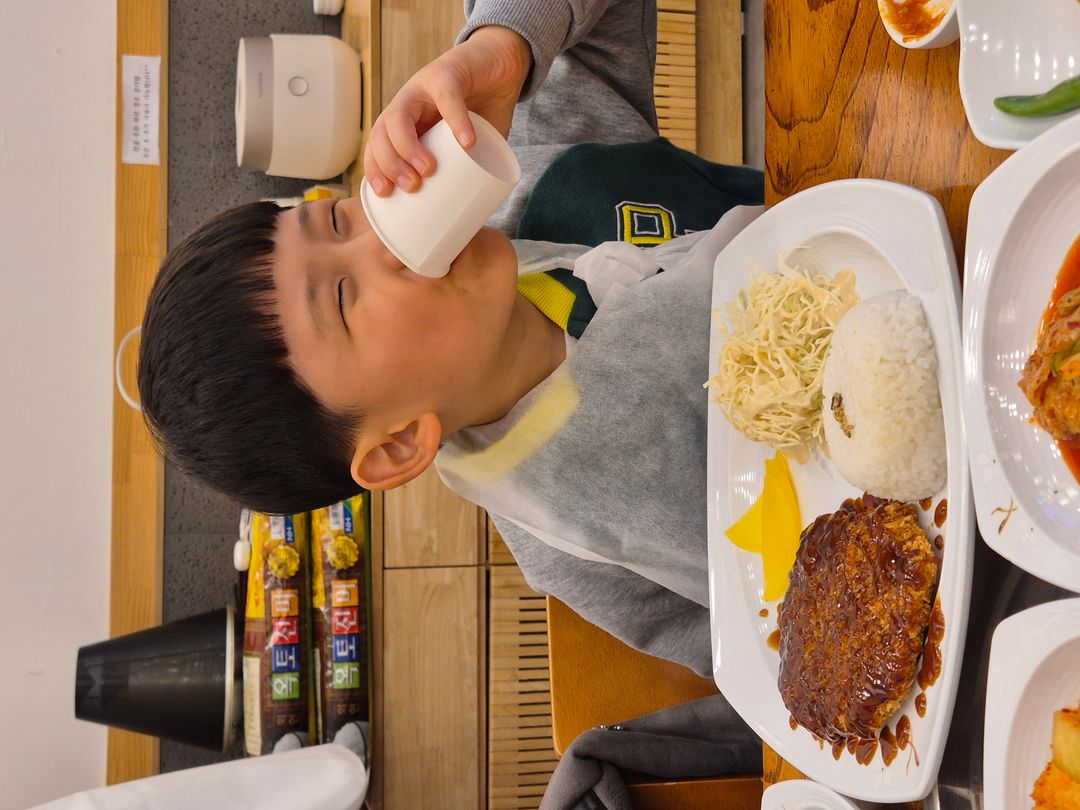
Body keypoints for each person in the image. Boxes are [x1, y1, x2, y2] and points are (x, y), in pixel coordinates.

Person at [137, 0, 763, 675]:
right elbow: (765, 651)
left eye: (341, 221)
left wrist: (502, 46)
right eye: (343, 299)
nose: (382, 243)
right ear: (399, 443)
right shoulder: (574, 539)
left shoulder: (534, 171)